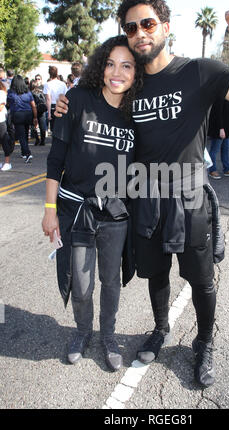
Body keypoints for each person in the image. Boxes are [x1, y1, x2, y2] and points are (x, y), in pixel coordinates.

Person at [55, 0, 229, 388]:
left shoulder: (198, 71)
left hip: (190, 196)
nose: (140, 32)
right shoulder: (130, 82)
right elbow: (94, 97)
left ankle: (205, 341)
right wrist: (65, 105)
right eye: (131, 27)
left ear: (165, 27)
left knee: (200, 278)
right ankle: (161, 330)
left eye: (147, 23)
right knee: (155, 274)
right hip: (143, 197)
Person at [42, 35, 143, 371]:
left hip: (116, 213)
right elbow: (55, 159)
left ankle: (108, 336)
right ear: (101, 67)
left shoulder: (137, 111)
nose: (117, 72)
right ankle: (83, 331)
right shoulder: (76, 100)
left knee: (111, 281)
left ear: (135, 72)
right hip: (78, 211)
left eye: (126, 65)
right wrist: (49, 209)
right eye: (111, 63)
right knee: (82, 284)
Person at [7, 75, 37, 163]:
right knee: (25, 133)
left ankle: (27, 153)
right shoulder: (28, 93)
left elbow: (8, 103)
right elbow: (33, 106)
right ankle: (24, 152)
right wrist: (35, 117)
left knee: (21, 136)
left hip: (17, 114)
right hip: (28, 113)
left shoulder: (11, 93)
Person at [208, 97, 229, 179]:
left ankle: (227, 169)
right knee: (214, 150)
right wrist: (220, 128)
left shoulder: (228, 96)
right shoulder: (219, 96)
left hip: (226, 128)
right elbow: (217, 114)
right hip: (219, 129)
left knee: (225, 150)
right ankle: (212, 170)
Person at [43, 66, 67, 132]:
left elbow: (48, 99)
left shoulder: (47, 84)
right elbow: (66, 96)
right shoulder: (63, 84)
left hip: (53, 106)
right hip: (62, 106)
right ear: (57, 73)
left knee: (53, 129)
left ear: (49, 74)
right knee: (61, 128)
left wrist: (49, 113)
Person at [30, 80, 47, 146]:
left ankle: (37, 139)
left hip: (33, 110)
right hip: (41, 110)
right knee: (42, 126)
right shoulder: (40, 92)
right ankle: (43, 140)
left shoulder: (29, 93)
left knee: (33, 126)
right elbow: (44, 100)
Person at [0, 81, 12, 171]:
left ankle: (7, 162)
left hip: (1, 120)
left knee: (4, 141)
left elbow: (1, 106)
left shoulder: (2, 93)